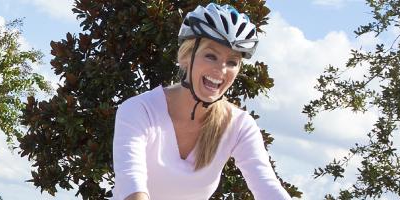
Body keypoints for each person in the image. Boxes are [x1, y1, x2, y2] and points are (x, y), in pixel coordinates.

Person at [111, 3, 290, 200]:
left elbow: (268, 188)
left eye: (232, 62)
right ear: (187, 56)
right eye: (211, 56)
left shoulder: (239, 125)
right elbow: (132, 184)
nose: (221, 70)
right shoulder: (140, 110)